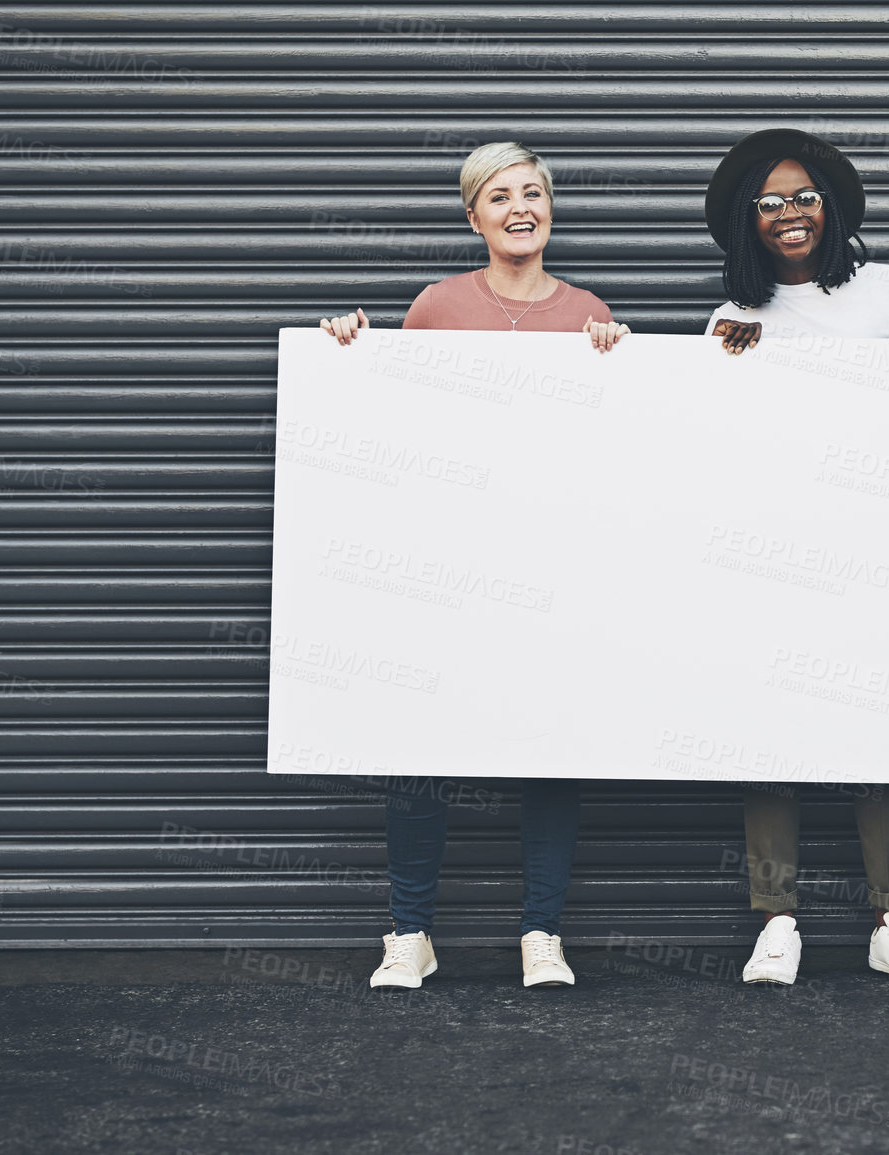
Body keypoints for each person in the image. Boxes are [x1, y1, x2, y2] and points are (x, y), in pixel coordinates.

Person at [316, 141, 629, 992]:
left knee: (549, 750)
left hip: (550, 568)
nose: (520, 207)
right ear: (474, 216)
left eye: (534, 192)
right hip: (444, 563)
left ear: (551, 209)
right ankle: (410, 931)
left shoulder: (589, 313)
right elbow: (393, 419)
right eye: (500, 196)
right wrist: (348, 351)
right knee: (419, 748)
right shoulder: (438, 305)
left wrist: (623, 368)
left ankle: (541, 932)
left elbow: (615, 451)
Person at [703, 128, 889, 986]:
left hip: (879, 547)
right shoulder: (733, 316)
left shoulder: (886, 289)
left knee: (880, 728)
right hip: (776, 552)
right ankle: (776, 922)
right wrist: (726, 370)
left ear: (830, 206)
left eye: (802, 197)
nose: (788, 214)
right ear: (748, 220)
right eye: (767, 203)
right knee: (770, 739)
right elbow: (720, 441)